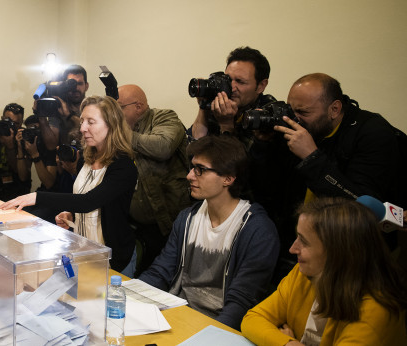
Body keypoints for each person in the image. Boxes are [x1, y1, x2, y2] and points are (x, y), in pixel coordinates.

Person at [249, 73, 404, 277]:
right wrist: (263, 145)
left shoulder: (373, 133)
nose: (293, 119)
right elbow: (267, 189)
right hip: (296, 246)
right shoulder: (299, 128)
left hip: (352, 257)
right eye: (291, 109)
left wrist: (311, 157)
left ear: (334, 109)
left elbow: (362, 207)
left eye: (303, 112)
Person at [138, 135, 279, 330]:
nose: (189, 176)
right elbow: (161, 272)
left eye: (200, 170)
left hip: (219, 328)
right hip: (177, 315)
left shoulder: (258, 231)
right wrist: (127, 297)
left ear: (228, 178)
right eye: (192, 167)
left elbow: (240, 303)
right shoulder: (187, 218)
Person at [0, 95, 138, 276]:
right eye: (82, 121)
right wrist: (72, 214)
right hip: (85, 252)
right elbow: (85, 202)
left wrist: (36, 197)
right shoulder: (86, 160)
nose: (82, 128)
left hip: (114, 259)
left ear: (111, 125)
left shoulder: (124, 166)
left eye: (91, 122)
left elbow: (90, 201)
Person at [241, 197, 407, 345]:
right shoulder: (304, 272)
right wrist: (289, 343)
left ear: (338, 253)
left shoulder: (376, 310)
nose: (292, 249)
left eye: (304, 242)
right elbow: (252, 319)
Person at [117, 84, 190, 274]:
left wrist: (121, 135)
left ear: (138, 106)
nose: (115, 114)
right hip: (133, 226)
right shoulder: (124, 131)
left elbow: (163, 147)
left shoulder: (164, 117)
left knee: (159, 279)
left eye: (119, 108)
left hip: (165, 225)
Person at [190, 46, 275, 142]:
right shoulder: (221, 103)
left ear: (261, 86)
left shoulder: (268, 116)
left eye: (240, 81)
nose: (232, 87)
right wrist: (204, 106)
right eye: (228, 79)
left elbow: (244, 156)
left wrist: (226, 126)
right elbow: (195, 148)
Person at [36, 64, 87, 150]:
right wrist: (41, 116)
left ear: (87, 86)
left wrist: (69, 116)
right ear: (64, 86)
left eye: (79, 83)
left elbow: (91, 131)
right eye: (71, 84)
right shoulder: (58, 108)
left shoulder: (92, 107)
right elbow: (51, 146)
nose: (75, 88)